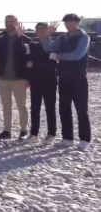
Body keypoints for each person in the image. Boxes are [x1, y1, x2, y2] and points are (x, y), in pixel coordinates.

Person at [43, 14, 91, 150]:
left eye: (70, 22)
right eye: (66, 22)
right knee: (64, 108)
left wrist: (60, 56)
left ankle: (85, 139)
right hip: (63, 77)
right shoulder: (62, 38)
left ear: (77, 22)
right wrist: (47, 35)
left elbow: (77, 55)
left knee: (81, 110)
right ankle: (67, 138)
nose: (67, 24)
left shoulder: (84, 37)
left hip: (78, 78)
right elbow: (48, 48)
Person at [0, 15, 31, 140]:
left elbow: (25, 57)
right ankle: (7, 131)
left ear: (17, 22)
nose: (9, 23)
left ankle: (24, 131)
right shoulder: (1, 39)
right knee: (6, 106)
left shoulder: (26, 39)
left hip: (19, 79)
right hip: (3, 78)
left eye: (11, 21)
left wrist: (27, 79)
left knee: (22, 106)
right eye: (7, 21)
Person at [25, 22, 58, 144]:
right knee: (34, 108)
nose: (41, 31)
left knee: (50, 108)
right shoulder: (33, 46)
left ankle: (51, 134)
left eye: (43, 29)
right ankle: (34, 134)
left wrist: (34, 63)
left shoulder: (54, 46)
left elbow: (51, 64)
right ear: (36, 32)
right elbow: (27, 62)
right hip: (35, 81)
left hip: (49, 81)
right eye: (38, 29)